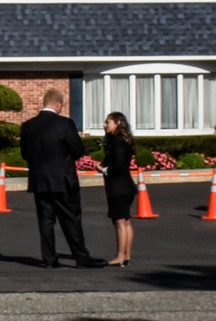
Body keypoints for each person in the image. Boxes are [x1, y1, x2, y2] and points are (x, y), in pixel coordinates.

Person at [18, 87, 100, 268]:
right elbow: (78, 150)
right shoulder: (65, 124)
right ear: (57, 104)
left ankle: (49, 259)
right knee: (71, 219)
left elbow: (25, 154)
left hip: (39, 181)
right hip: (63, 180)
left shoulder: (28, 126)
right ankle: (81, 257)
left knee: (46, 221)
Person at [101, 112, 137, 267]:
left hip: (119, 188)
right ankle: (126, 255)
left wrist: (104, 169)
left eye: (108, 122)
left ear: (118, 123)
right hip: (126, 187)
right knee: (126, 221)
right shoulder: (124, 140)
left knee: (120, 222)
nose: (105, 125)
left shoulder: (118, 142)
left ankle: (120, 256)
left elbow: (119, 166)